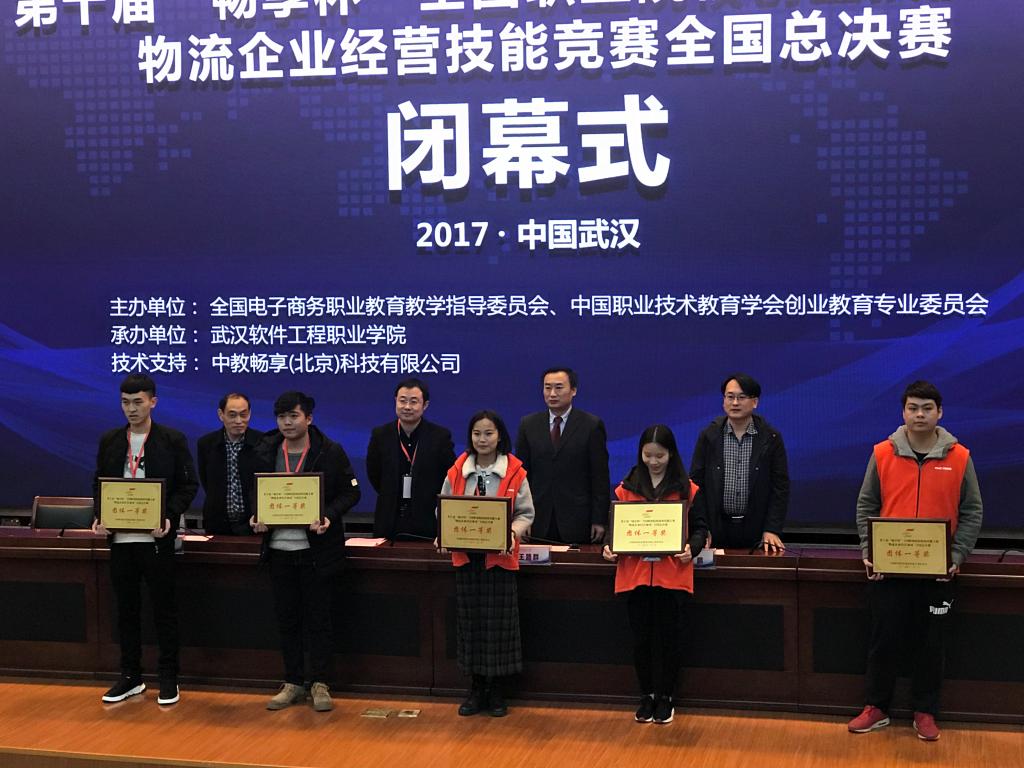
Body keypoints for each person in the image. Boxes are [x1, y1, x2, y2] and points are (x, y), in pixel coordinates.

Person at [847, 381, 983, 742]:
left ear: (940, 412)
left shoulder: (960, 457)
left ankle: (925, 711)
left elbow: (972, 511)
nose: (919, 414)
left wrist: (957, 556)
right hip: (889, 571)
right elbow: (866, 505)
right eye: (912, 408)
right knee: (883, 640)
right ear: (903, 412)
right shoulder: (882, 453)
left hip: (938, 573)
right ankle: (876, 707)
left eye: (926, 408)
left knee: (931, 644)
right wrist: (869, 551)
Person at [250, 391, 361, 713]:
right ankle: (293, 682)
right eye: (281, 416)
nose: (287, 422)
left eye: (293, 416)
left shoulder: (329, 451)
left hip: (317, 552)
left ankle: (320, 682)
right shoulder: (265, 450)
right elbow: (254, 491)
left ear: (308, 418)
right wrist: (256, 516)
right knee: (287, 619)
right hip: (278, 549)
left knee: (319, 619)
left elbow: (351, 493)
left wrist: (328, 515)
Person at [92, 374, 198, 706]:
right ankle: (131, 676)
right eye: (125, 402)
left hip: (156, 540)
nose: (131, 409)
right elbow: (99, 482)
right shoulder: (110, 439)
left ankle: (168, 677)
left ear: (153, 402)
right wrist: (99, 514)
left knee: (163, 610)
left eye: (138, 402)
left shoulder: (171, 439)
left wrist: (169, 515)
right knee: (126, 611)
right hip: (121, 540)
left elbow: (188, 486)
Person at [602, 425, 708, 725]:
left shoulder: (687, 489)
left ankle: (667, 697)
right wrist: (609, 547)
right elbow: (613, 529)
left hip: (672, 576)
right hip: (635, 576)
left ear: (671, 454)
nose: (653, 461)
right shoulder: (626, 488)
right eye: (647, 455)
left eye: (659, 455)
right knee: (641, 640)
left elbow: (700, 528)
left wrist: (692, 548)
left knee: (670, 639)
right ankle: (646, 695)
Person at [439, 410, 535, 718]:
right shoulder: (457, 470)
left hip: (499, 561)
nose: (482, 439)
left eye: (488, 433)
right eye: (477, 433)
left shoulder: (515, 471)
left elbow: (526, 514)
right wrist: (444, 532)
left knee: (498, 628)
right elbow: (443, 508)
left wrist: (511, 533)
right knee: (471, 625)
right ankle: (476, 688)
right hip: (467, 560)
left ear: (500, 436)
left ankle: (496, 691)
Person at [689, 373, 789, 552]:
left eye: (742, 397)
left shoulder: (770, 438)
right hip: (715, 530)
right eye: (730, 397)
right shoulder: (709, 436)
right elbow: (696, 485)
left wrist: (772, 529)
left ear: (755, 402)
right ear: (723, 401)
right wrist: (701, 528)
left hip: (757, 532)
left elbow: (780, 487)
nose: (735, 403)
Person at [514, 367, 609, 544]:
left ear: (573, 390)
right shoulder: (528, 424)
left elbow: (600, 477)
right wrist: (521, 519)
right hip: (538, 516)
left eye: (558, 387)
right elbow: (522, 476)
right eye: (547, 387)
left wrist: (599, 519)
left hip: (578, 518)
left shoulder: (591, 425)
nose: (552, 394)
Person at [366, 378, 455, 541]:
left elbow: (448, 477)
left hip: (428, 520)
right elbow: (374, 473)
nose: (407, 407)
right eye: (402, 401)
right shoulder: (381, 435)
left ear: (425, 405)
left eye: (413, 402)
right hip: (389, 519)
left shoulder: (440, 437)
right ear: (395, 401)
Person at [196, 392, 262, 535]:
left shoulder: (262, 442)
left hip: (254, 523)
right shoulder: (206, 444)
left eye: (243, 415)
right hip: (217, 522)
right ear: (221, 415)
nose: (239, 421)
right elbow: (206, 482)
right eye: (232, 415)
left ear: (250, 414)